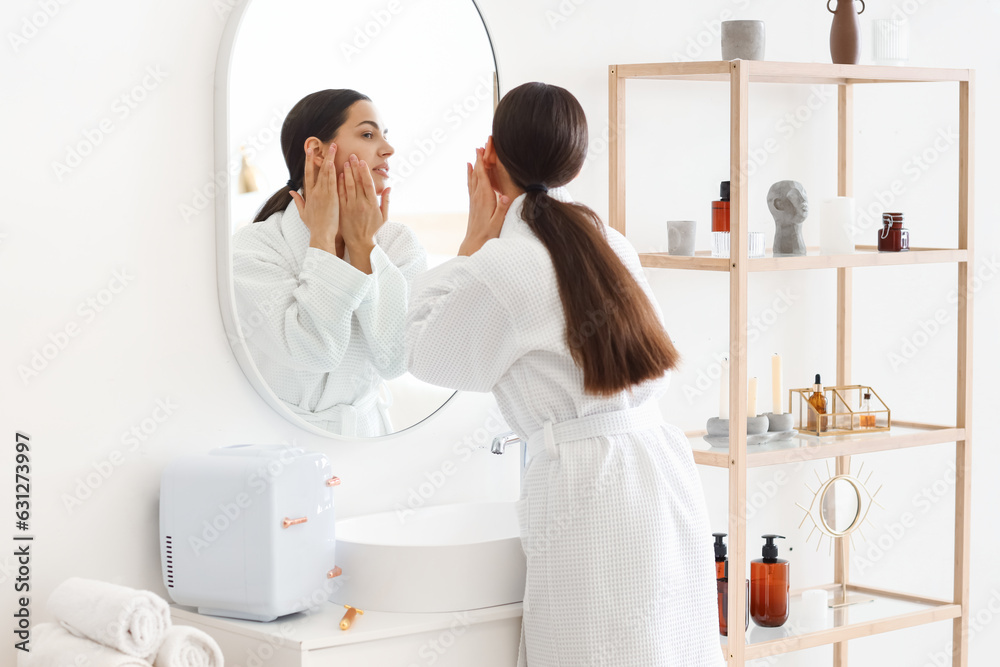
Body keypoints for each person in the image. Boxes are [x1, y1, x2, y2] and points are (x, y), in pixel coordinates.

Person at [405, 82, 723, 666]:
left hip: (588, 488)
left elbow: (421, 348)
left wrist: (472, 241)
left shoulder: (502, 265)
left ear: (491, 155)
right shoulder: (609, 242)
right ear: (575, 160)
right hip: (664, 472)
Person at [233, 89, 426, 436]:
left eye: (385, 135)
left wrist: (364, 245)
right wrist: (322, 242)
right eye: (368, 134)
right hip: (277, 446)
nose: (388, 148)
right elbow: (314, 350)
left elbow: (396, 358)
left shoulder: (397, 244)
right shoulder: (254, 249)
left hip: (368, 442)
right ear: (317, 151)